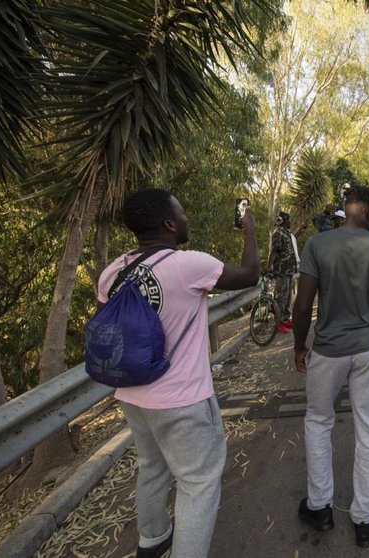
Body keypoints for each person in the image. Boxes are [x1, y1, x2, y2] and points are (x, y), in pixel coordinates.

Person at [96, 188, 259, 558]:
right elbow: (250, 274)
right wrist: (249, 228)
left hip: (133, 395)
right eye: (182, 212)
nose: (186, 219)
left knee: (152, 467)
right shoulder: (189, 265)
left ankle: (151, 541)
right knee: (197, 484)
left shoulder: (111, 272)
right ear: (169, 224)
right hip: (183, 400)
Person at [293, 185, 369, 548]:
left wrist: (300, 346)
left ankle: (320, 507)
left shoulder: (317, 244)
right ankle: (363, 517)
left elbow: (302, 305)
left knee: (318, 421)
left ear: (346, 209)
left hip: (328, 349)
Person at [267, 211, 300, 334]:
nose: (290, 221)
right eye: (289, 219)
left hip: (289, 270)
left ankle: (285, 319)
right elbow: (274, 252)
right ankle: (278, 322)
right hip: (281, 270)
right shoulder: (278, 233)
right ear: (284, 220)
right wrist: (268, 266)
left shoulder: (288, 233)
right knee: (281, 296)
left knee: (287, 296)